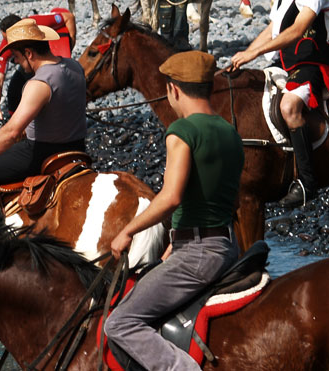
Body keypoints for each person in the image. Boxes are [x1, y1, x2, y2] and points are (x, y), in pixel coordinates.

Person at [103, 51, 244, 370]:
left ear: (174, 89)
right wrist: (174, 242)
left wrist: (127, 231)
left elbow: (171, 197)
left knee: (121, 323)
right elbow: (230, 202)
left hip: (198, 254)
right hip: (226, 247)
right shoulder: (230, 133)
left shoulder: (182, 131)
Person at [0, 19, 87, 226]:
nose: (17, 63)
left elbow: (12, 132)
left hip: (41, 153)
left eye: (17, 58)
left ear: (29, 53)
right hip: (78, 147)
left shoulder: (39, 83)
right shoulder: (75, 67)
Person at [229, 0, 329, 207]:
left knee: (289, 107)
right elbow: (273, 28)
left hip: (316, 60)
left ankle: (307, 182)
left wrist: (254, 53)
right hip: (289, 60)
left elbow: (298, 29)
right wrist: (244, 56)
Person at [0, 9, 76, 128]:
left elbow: (69, 17)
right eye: (5, 39)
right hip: (29, 61)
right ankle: (19, 125)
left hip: (47, 56)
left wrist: (70, 44)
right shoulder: (5, 47)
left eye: (9, 38)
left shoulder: (37, 22)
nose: (6, 42)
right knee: (14, 91)